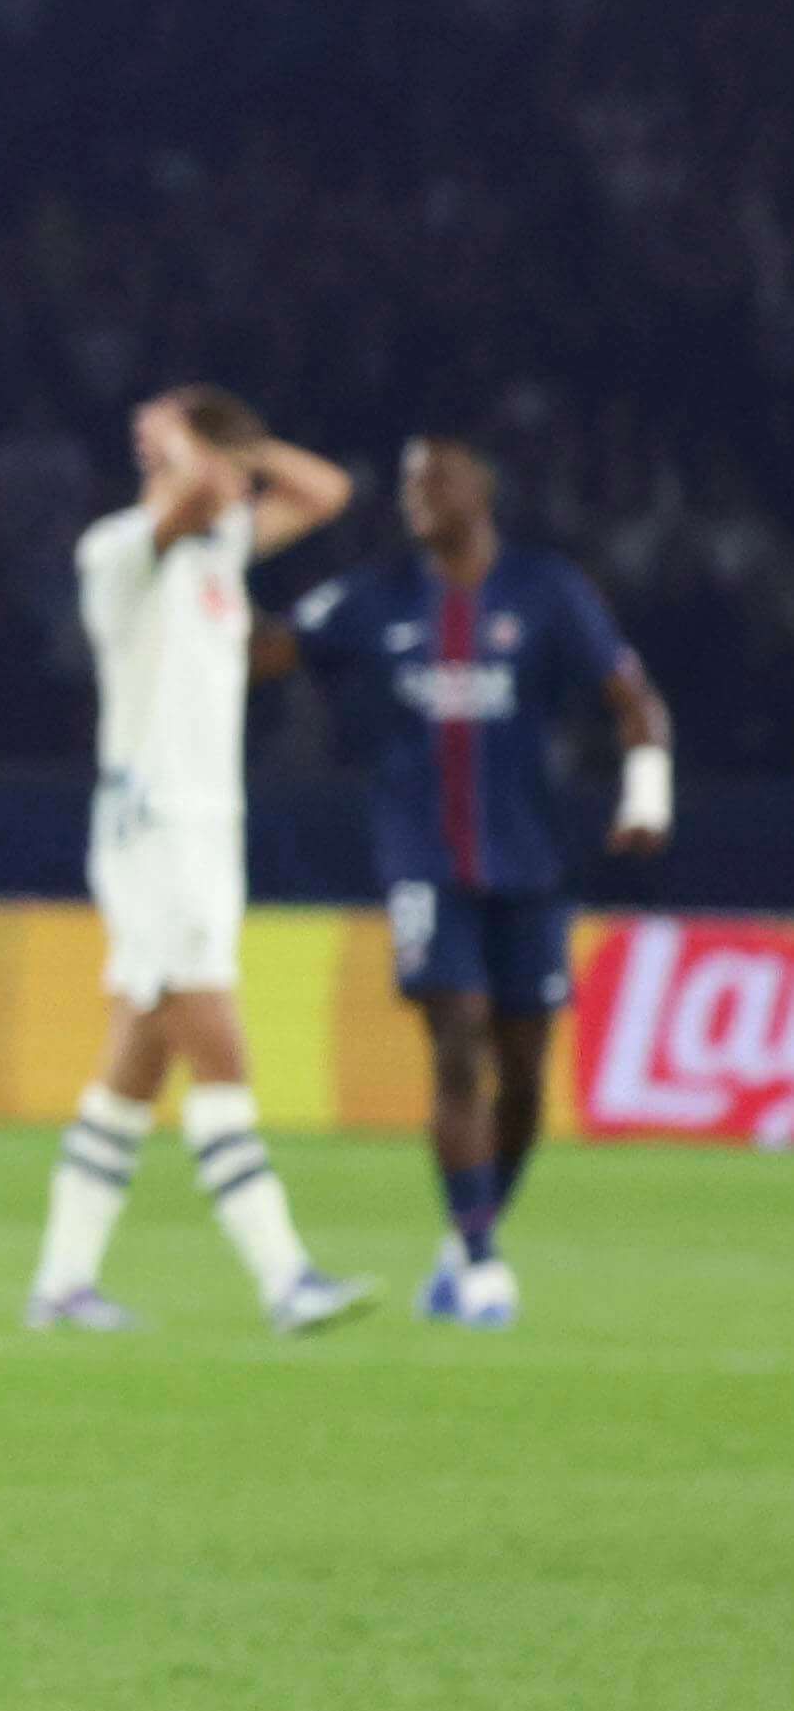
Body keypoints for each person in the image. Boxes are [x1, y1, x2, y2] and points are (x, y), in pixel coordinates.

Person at [275, 438, 673, 1330]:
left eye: (434, 481)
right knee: (456, 1043)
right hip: (421, 860)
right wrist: (197, 595)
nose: (415, 496)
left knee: (526, 1074)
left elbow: (634, 701)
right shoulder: (373, 599)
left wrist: (646, 795)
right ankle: (485, 1262)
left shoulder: (546, 592)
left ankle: (464, 1245)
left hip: (528, 862)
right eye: (407, 481)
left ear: (479, 491)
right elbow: (270, 649)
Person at [28, 388, 371, 1337]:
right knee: (220, 1050)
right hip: (154, 831)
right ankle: (283, 1276)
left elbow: (327, 491)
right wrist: (192, 448)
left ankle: (60, 1284)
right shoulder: (117, 550)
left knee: (133, 1070)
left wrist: (238, 441)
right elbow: (203, 494)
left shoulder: (219, 545)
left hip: (205, 826)